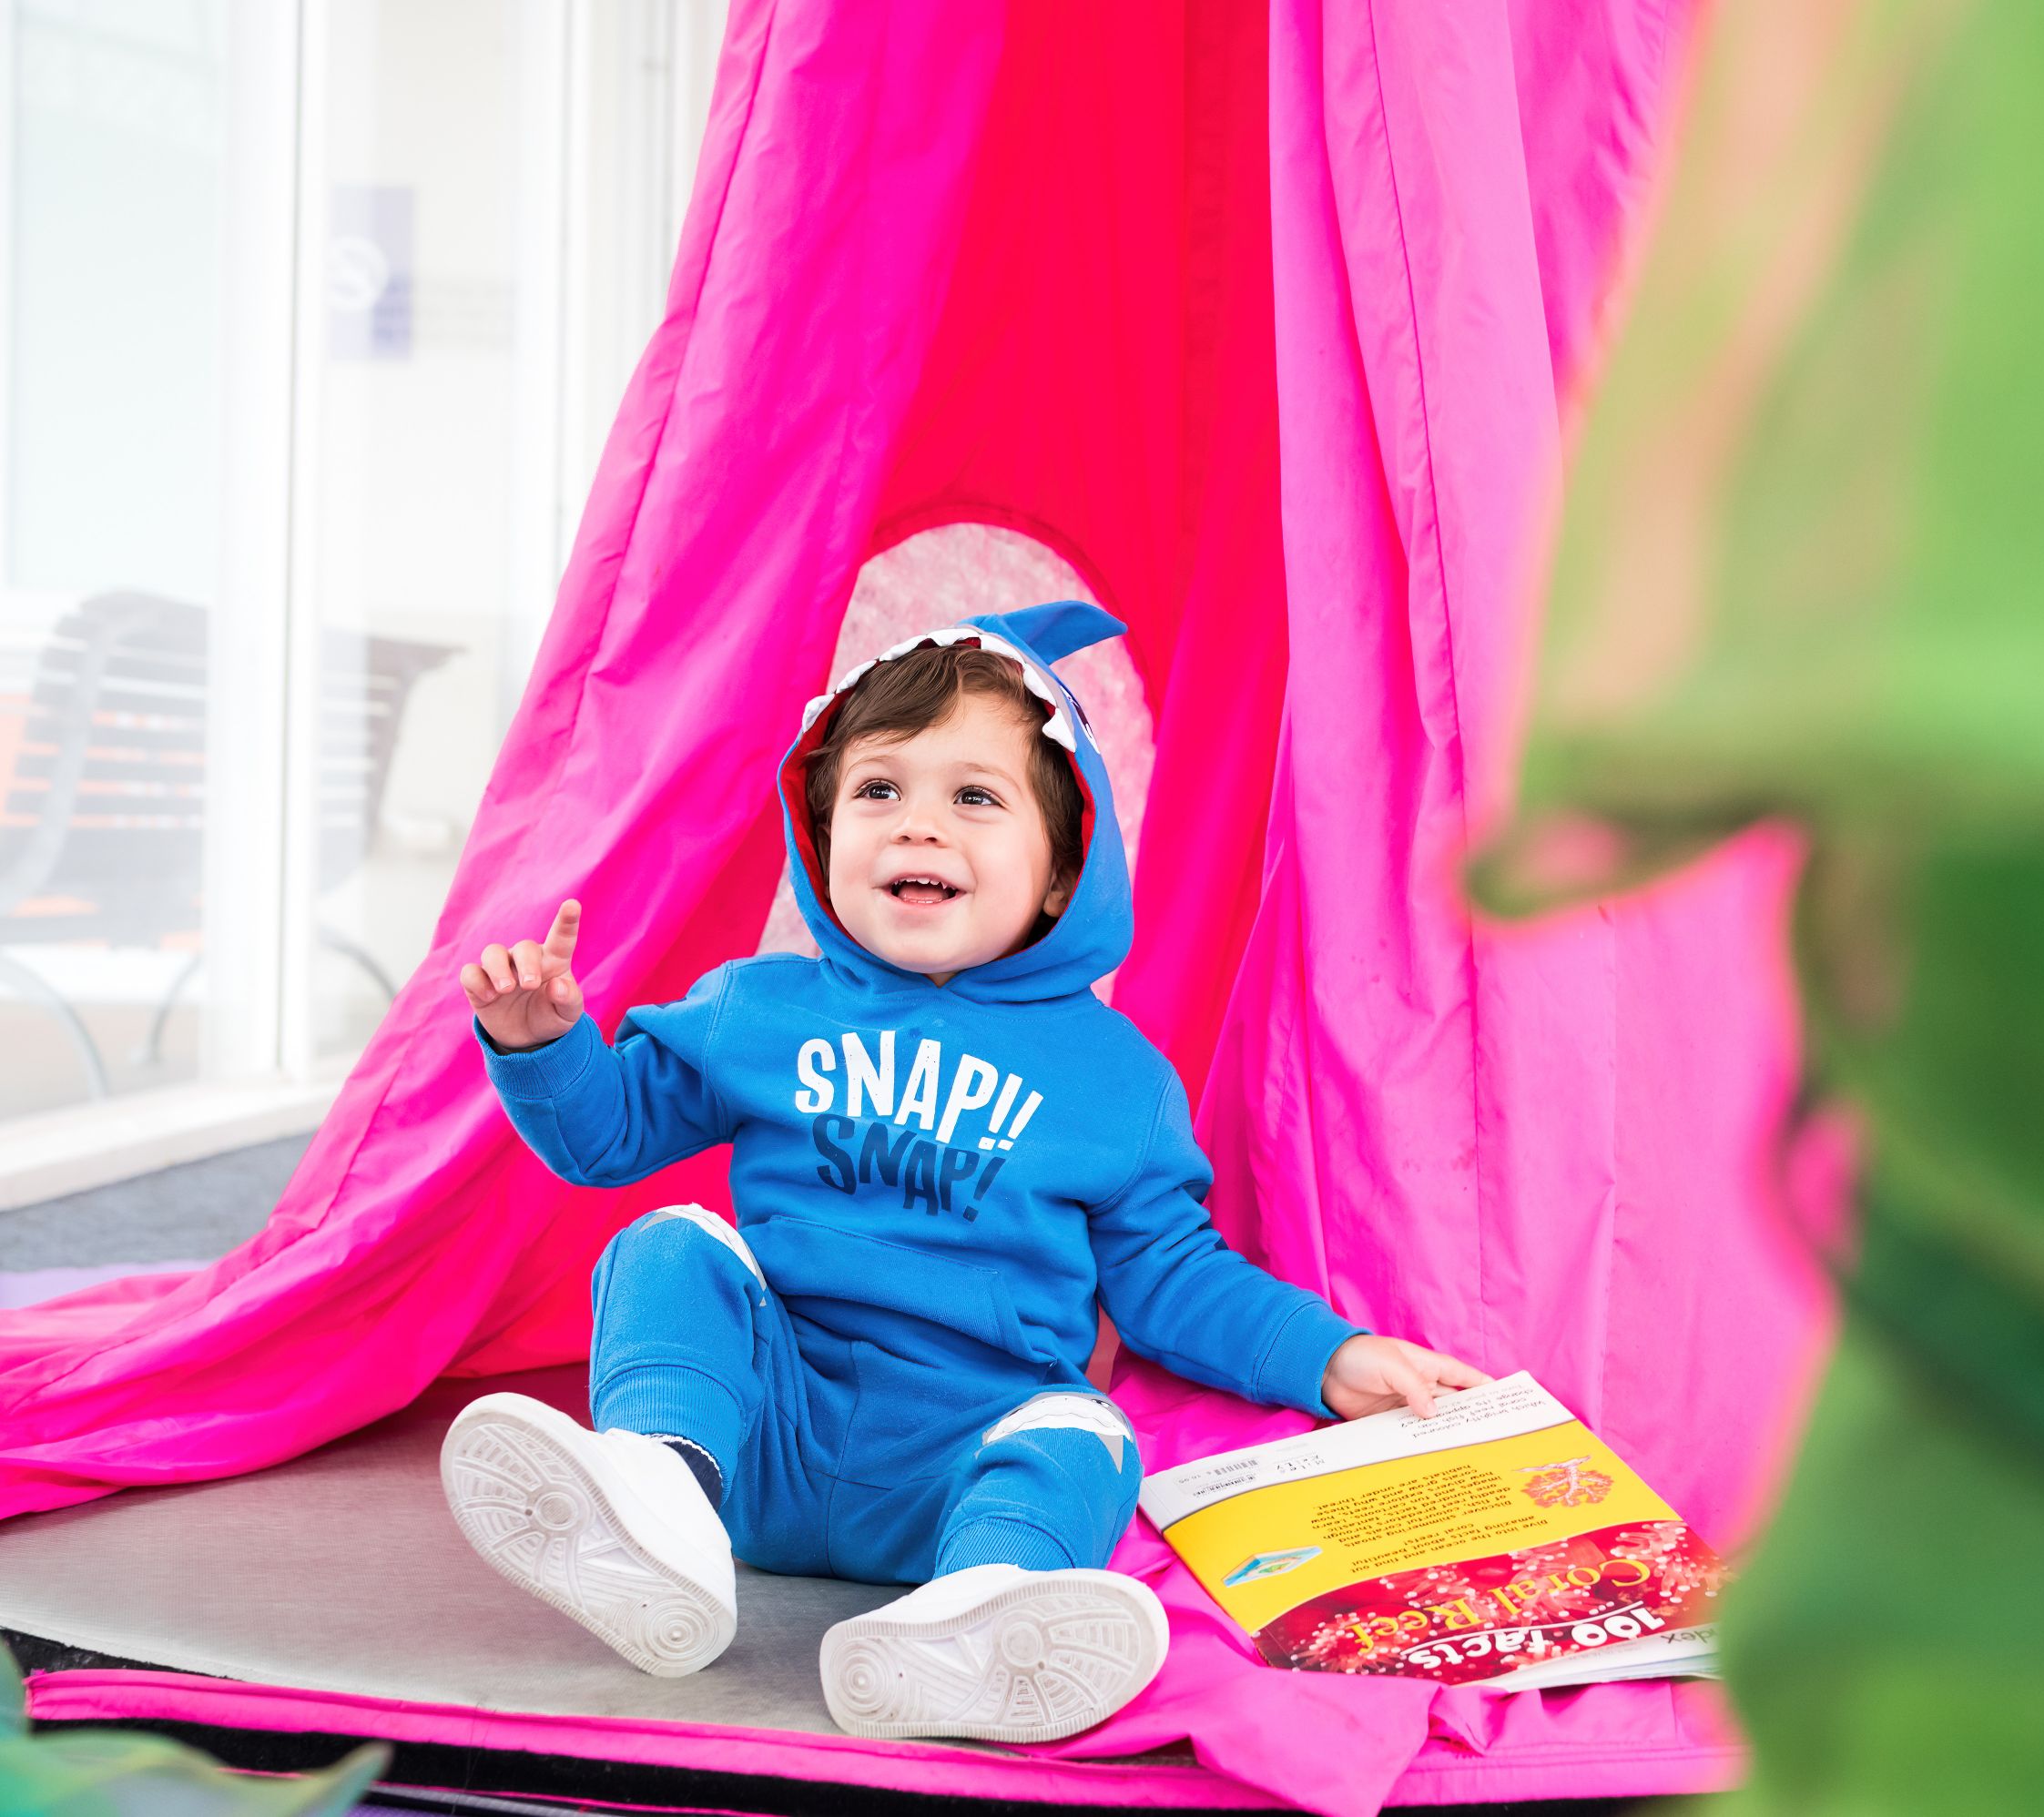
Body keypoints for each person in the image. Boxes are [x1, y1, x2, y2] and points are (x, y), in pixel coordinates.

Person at [439, 602, 1483, 1742]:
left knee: (1088, 1435)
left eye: (973, 797)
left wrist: (1334, 1358)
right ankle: (657, 1505)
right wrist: (542, 1047)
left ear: (1059, 875)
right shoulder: (759, 1005)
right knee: (666, 1245)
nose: (916, 828)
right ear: (822, 835)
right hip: (763, 1443)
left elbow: (1174, 1279)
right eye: (878, 791)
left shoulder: (1115, 1078)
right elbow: (608, 1137)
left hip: (956, 1460)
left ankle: (977, 1614)